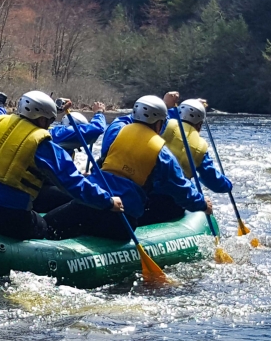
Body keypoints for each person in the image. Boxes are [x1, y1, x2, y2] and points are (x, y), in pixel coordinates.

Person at [45, 95, 212, 241]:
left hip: (91, 204)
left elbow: (115, 125)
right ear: (160, 124)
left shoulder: (116, 131)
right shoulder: (163, 154)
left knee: (49, 225)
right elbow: (180, 190)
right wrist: (202, 204)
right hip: (121, 221)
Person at [0, 90, 123, 240]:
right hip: (8, 217)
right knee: (45, 227)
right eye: (50, 121)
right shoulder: (40, 142)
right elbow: (73, 183)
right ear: (41, 119)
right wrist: (107, 201)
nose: (50, 125)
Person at [139, 98, 232, 225]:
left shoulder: (163, 125)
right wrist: (228, 185)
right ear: (199, 125)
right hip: (170, 203)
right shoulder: (200, 147)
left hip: (141, 194)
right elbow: (213, 182)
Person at [33, 101, 108, 213]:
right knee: (82, 198)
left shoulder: (59, 137)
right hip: (39, 190)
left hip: (44, 185)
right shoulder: (60, 134)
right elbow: (96, 129)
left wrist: (81, 175)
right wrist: (99, 113)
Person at [100, 91, 181, 160]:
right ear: (158, 125)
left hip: (102, 176)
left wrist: (166, 105)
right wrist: (168, 106)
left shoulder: (117, 125)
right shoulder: (160, 152)